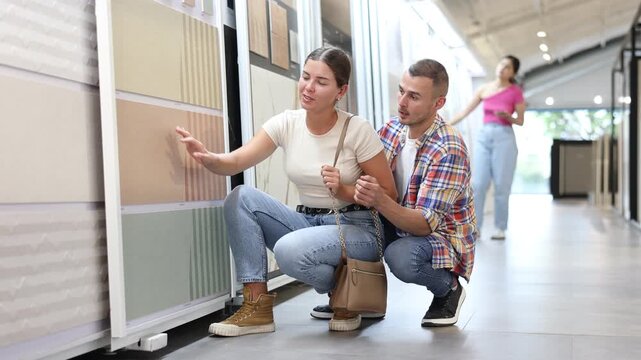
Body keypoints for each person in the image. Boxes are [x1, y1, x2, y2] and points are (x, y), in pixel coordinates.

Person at [176, 46, 397, 336]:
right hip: (307, 222)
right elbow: (237, 161)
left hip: (356, 227)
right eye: (306, 77)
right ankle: (257, 307)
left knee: (288, 250)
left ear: (340, 91)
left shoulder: (357, 129)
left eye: (321, 82)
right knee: (241, 198)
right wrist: (208, 157)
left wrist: (344, 188)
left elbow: (388, 194)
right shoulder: (287, 123)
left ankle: (348, 295)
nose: (308, 87)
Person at [311, 59, 477, 327]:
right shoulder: (390, 130)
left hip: (439, 237)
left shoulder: (449, 148)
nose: (401, 102)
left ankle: (448, 289)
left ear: (438, 104)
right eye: (401, 91)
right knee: (345, 228)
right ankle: (358, 298)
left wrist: (379, 199)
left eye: (414, 97)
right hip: (394, 222)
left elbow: (423, 224)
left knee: (402, 257)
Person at [449, 55, 525, 240]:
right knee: (478, 183)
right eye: (501, 64)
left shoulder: (515, 92)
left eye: (508, 67)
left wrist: (509, 117)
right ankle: (476, 227)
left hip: (504, 136)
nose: (502, 68)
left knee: (501, 185)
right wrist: (446, 124)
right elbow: (465, 111)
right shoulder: (484, 89)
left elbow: (521, 121)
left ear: (513, 72)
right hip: (484, 135)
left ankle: (500, 228)